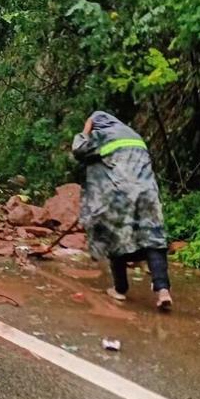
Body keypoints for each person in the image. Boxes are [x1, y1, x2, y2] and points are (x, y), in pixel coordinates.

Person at [72, 111, 172, 311]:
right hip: (148, 192)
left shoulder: (102, 135)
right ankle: (163, 290)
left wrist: (86, 129)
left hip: (120, 193)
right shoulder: (134, 135)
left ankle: (120, 289)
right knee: (153, 237)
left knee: (115, 237)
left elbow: (79, 150)